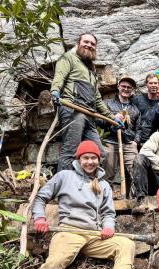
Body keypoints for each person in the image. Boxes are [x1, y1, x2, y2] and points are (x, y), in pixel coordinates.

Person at [30, 140, 135, 269]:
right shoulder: (64, 176)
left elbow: (108, 212)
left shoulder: (104, 185)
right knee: (55, 262)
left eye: (94, 158)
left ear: (99, 160)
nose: (90, 162)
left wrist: (109, 226)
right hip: (68, 232)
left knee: (126, 245)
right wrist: (39, 218)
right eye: (86, 158)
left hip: (94, 236)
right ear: (78, 159)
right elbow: (41, 198)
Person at [49, 32, 124, 171]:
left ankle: (87, 187)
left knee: (99, 153)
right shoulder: (68, 58)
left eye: (92, 44)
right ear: (78, 43)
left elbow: (97, 99)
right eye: (86, 42)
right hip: (73, 110)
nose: (89, 45)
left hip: (89, 114)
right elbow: (59, 76)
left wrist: (112, 117)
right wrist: (55, 91)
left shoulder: (91, 70)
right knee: (70, 152)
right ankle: (63, 189)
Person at [100, 76, 140, 196]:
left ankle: (133, 198)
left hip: (128, 142)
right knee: (108, 170)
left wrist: (136, 141)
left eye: (129, 87)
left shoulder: (135, 109)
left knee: (136, 168)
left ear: (132, 90)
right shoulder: (107, 104)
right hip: (110, 140)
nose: (126, 89)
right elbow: (99, 121)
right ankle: (106, 198)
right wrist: (112, 118)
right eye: (123, 86)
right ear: (118, 87)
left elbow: (139, 129)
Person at [134, 73, 159, 146]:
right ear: (146, 85)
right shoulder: (137, 99)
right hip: (136, 139)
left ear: (158, 85)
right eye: (151, 83)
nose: (153, 85)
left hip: (153, 140)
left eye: (155, 83)